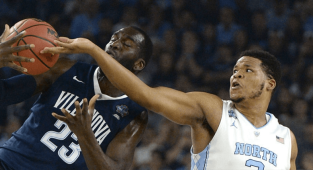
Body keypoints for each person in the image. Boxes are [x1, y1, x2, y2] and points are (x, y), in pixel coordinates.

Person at [41, 38, 299, 169]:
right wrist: (94, 51)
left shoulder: (286, 140)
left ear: (270, 83)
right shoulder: (212, 109)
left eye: (248, 70)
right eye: (234, 70)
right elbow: (146, 95)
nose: (236, 75)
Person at [0, 24, 152, 169]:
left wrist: (85, 135)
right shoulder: (64, 69)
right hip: (6, 165)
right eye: (113, 39)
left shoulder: (135, 114)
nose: (115, 44)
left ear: (139, 64)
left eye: (126, 44)